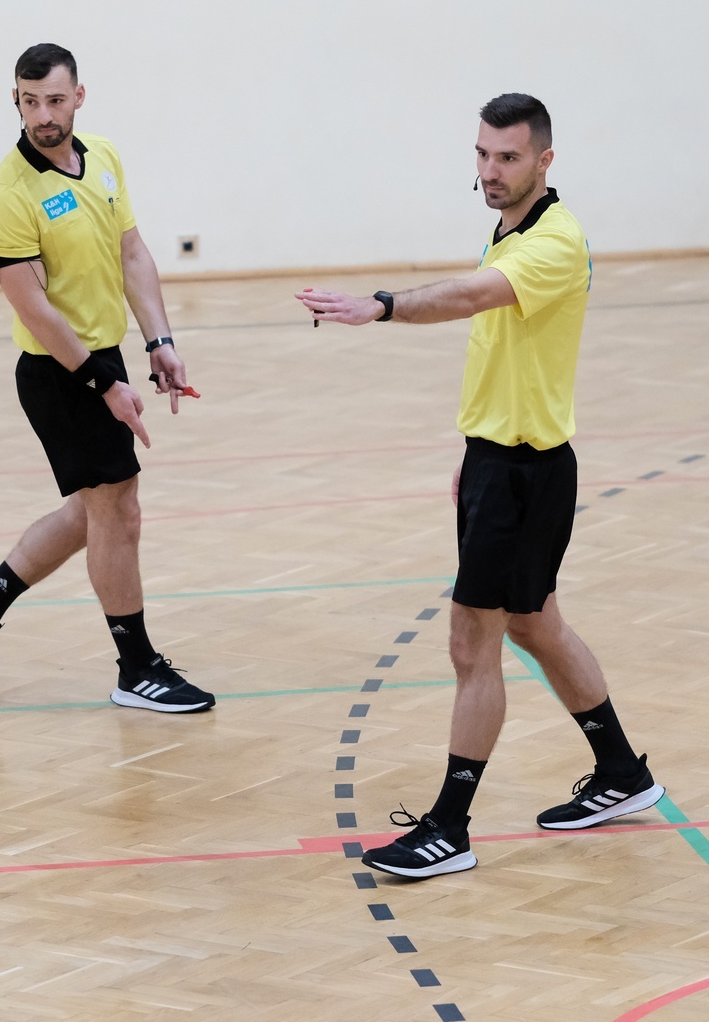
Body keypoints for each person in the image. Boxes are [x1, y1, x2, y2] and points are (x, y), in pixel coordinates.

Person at [296, 94, 664, 880]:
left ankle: (449, 828)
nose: (491, 171)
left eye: (508, 157)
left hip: (524, 474)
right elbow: (500, 344)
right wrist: (476, 450)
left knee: (472, 643)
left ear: (545, 161)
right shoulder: (510, 227)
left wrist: (378, 306)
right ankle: (621, 772)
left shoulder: (555, 241)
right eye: (483, 154)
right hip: (503, 461)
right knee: (534, 625)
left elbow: (470, 297)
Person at [0, 42, 214, 714]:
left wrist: (159, 341)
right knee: (118, 511)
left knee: (91, 510)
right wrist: (104, 384)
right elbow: (35, 310)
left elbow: (132, 252)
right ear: (15, 101)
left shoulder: (102, 158)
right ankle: (136, 666)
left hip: (104, 359)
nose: (43, 115)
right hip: (58, 371)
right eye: (29, 101)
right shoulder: (7, 195)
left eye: (54, 100)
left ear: (79, 97)